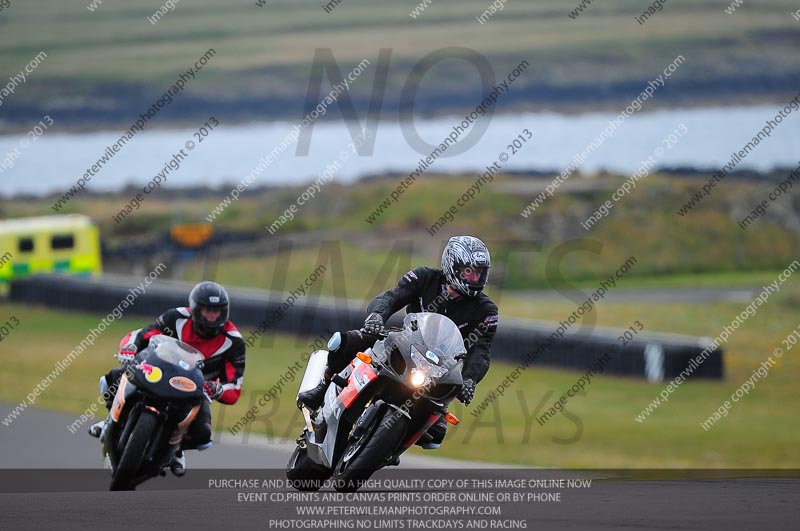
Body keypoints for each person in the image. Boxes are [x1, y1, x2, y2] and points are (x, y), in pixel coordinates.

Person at [298, 235, 499, 449]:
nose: (475, 278)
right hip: (405, 344)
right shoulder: (423, 277)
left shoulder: (486, 310)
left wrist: (469, 380)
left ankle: (390, 447)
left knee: (437, 433)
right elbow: (391, 298)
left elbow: (481, 351)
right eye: (470, 271)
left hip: (440, 368)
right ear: (452, 264)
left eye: (480, 272)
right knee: (349, 340)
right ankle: (324, 384)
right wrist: (376, 316)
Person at [88, 281, 246, 476]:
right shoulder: (176, 316)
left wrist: (218, 389)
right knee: (113, 378)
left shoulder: (234, 341)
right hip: (160, 370)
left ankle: (176, 448)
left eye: (217, 311)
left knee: (202, 436)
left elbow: (235, 386)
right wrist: (129, 348)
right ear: (195, 309)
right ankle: (110, 418)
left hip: (195, 388)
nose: (213, 316)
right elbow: (144, 333)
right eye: (207, 311)